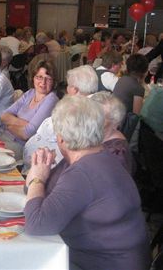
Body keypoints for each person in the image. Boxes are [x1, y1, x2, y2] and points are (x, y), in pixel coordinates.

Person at [24, 96, 149, 270]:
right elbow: (48, 192)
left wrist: (37, 179)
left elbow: (36, 223)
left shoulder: (83, 172)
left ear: (61, 139)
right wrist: (39, 176)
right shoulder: (101, 156)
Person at [22, 65, 98, 172]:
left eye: (68, 85)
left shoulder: (74, 111)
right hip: (42, 165)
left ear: (74, 90)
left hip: (48, 170)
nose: (66, 89)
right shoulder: (94, 107)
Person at [0, 59, 59, 158]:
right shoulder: (30, 93)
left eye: (48, 79)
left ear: (53, 82)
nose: (43, 82)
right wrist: (26, 124)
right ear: (33, 78)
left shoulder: (51, 100)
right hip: (5, 136)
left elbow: (27, 134)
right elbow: (4, 116)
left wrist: (9, 126)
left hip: (22, 147)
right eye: (39, 77)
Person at [91, 91, 134, 174]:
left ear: (115, 122)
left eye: (99, 117)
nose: (91, 120)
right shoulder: (98, 136)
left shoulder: (117, 152)